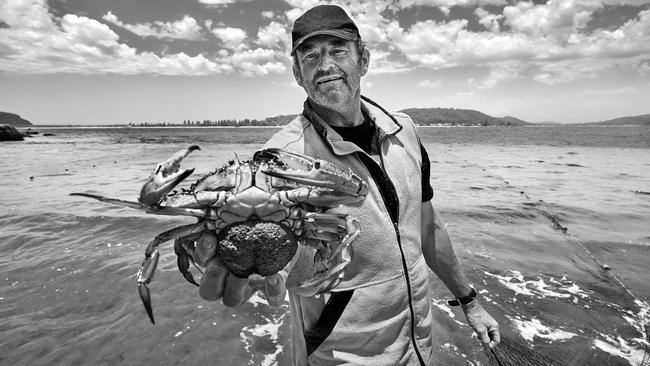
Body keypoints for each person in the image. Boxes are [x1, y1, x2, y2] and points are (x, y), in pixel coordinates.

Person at [198, 5, 500, 365]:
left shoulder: (404, 131)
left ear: (364, 59)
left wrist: (469, 300)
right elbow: (280, 247)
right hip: (341, 353)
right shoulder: (279, 158)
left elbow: (428, 226)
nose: (325, 64)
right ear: (298, 73)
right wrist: (254, 263)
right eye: (310, 56)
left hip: (419, 343)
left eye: (338, 50)